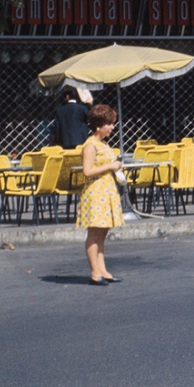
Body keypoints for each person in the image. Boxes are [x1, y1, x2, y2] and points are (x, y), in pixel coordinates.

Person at [74, 103, 125, 285]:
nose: (112, 127)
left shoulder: (102, 144)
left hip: (106, 190)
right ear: (98, 125)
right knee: (94, 234)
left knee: (102, 233)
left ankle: (103, 269)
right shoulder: (90, 145)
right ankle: (95, 272)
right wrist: (111, 166)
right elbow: (87, 171)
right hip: (95, 193)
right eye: (109, 124)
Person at [53, 86, 89, 151]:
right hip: (81, 140)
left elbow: (57, 128)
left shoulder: (60, 110)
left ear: (67, 97)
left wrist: (57, 141)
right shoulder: (82, 109)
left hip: (65, 141)